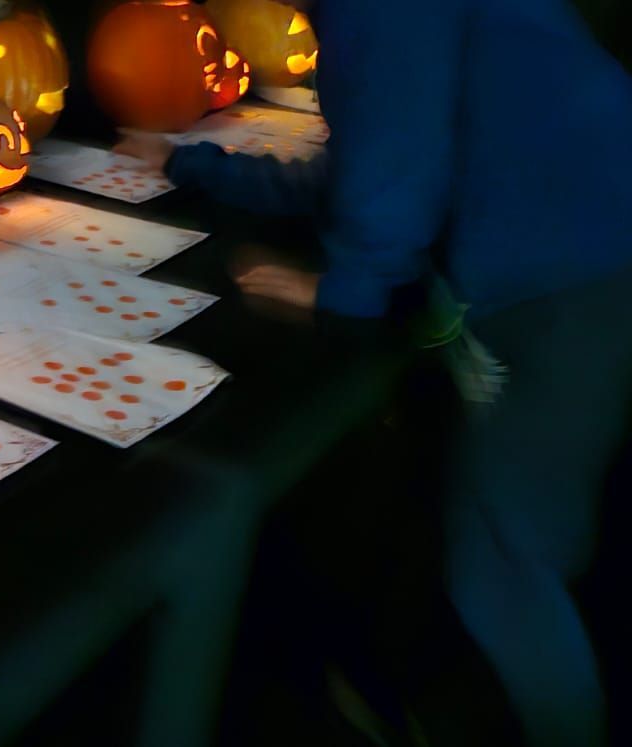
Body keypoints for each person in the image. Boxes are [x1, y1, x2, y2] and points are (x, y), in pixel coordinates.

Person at [117, 1, 632, 745]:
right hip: (580, 251)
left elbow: (394, 168)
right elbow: (363, 156)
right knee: (527, 518)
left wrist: (346, 289)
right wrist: (189, 162)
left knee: (504, 556)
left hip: (572, 277)